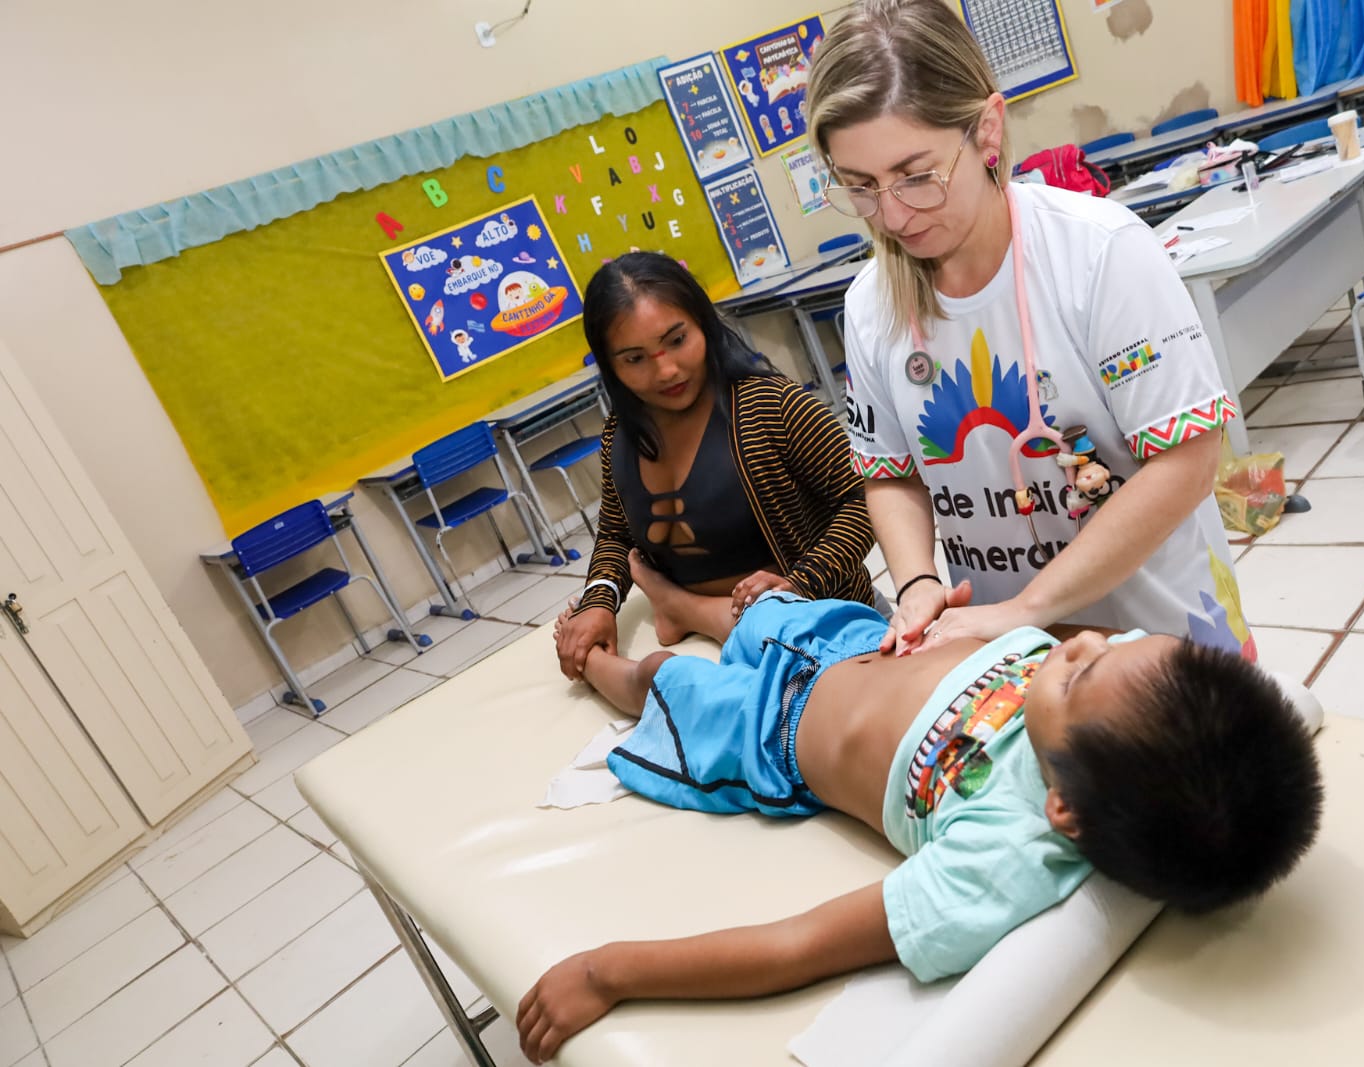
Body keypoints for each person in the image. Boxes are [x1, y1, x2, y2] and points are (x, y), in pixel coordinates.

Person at [515, 591, 1323, 1063]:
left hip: (771, 731)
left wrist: (611, 972)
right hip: (864, 638)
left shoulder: (1007, 857)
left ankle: (594, 664)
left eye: (1077, 674)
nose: (1081, 640)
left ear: (1065, 810)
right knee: (758, 610)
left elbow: (797, 945)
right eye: (1110, 645)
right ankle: (678, 600)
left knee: (666, 683)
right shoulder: (1122, 720)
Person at [805, 0, 1255, 661]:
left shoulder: (1101, 254)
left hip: (1162, 642)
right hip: (1009, 656)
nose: (892, 216)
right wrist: (920, 581)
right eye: (861, 186)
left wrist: (1024, 609)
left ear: (987, 131)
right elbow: (891, 473)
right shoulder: (871, 306)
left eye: (916, 176)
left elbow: (1187, 463)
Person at [554, 252, 877, 680]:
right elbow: (616, 533)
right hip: (698, 644)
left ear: (703, 322)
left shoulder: (772, 407)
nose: (666, 370)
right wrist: (599, 599)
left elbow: (866, 498)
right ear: (610, 366)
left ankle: (678, 606)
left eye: (676, 340)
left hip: (808, 623)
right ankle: (675, 608)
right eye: (635, 359)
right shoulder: (621, 432)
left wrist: (801, 582)